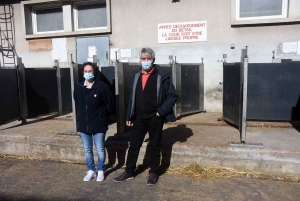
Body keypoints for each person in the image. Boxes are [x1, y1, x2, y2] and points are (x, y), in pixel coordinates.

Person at [113, 47, 178, 185]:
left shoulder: (162, 75)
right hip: (139, 117)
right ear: (140, 60)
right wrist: (130, 116)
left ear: (153, 60)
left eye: (149, 59)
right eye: (144, 59)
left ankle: (153, 172)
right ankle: (129, 171)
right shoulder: (136, 74)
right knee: (134, 145)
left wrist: (161, 111)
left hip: (155, 117)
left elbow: (172, 96)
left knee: (155, 145)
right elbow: (132, 97)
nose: (146, 61)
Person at [74, 62, 114, 182]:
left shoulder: (102, 87)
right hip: (84, 124)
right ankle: (91, 170)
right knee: (87, 149)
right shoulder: (79, 86)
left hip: (99, 124)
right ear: (83, 73)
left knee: (100, 148)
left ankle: (100, 170)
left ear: (94, 72)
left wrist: (102, 116)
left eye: (90, 71)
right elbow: (77, 100)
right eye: (85, 71)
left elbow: (110, 104)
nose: (88, 73)